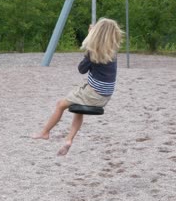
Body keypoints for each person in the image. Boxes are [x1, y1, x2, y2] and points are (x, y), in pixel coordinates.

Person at [33, 18, 123, 156]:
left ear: (95, 34)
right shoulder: (112, 52)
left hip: (93, 94)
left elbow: (81, 69)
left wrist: (89, 44)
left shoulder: (92, 52)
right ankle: (68, 140)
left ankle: (45, 132)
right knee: (78, 109)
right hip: (105, 96)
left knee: (60, 105)